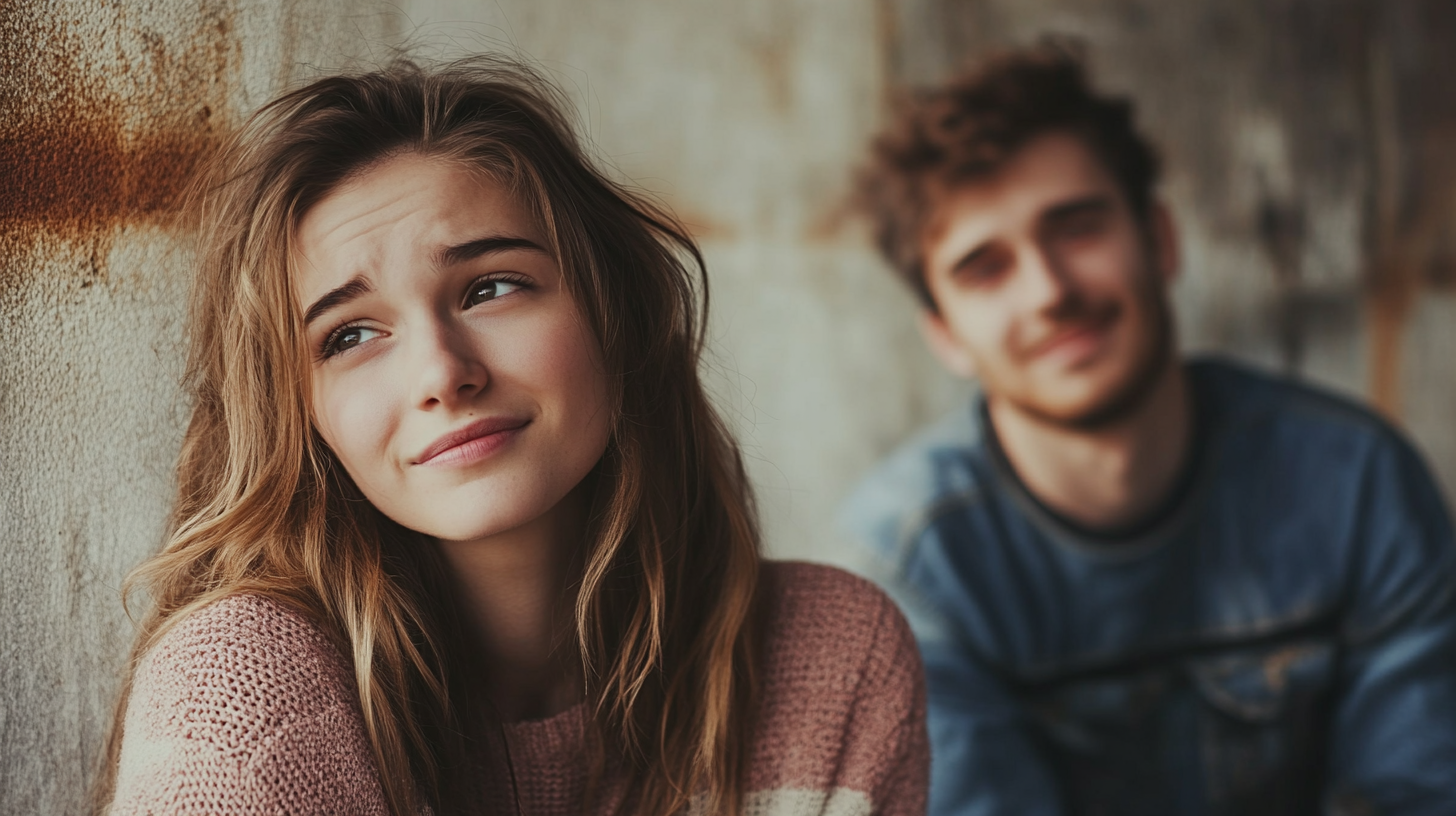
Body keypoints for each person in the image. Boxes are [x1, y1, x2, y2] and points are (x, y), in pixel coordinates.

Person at [95, 57, 928, 816]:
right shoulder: (240, 693)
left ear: (614, 313)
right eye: (349, 336)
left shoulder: (835, 656)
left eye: (491, 287)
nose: (441, 373)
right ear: (296, 417)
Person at [840, 41, 1456, 816]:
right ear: (946, 335)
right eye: (983, 268)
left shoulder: (1355, 482)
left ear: (1160, 238)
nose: (1048, 291)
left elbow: (1419, 792)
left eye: (1076, 227)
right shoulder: (913, 566)